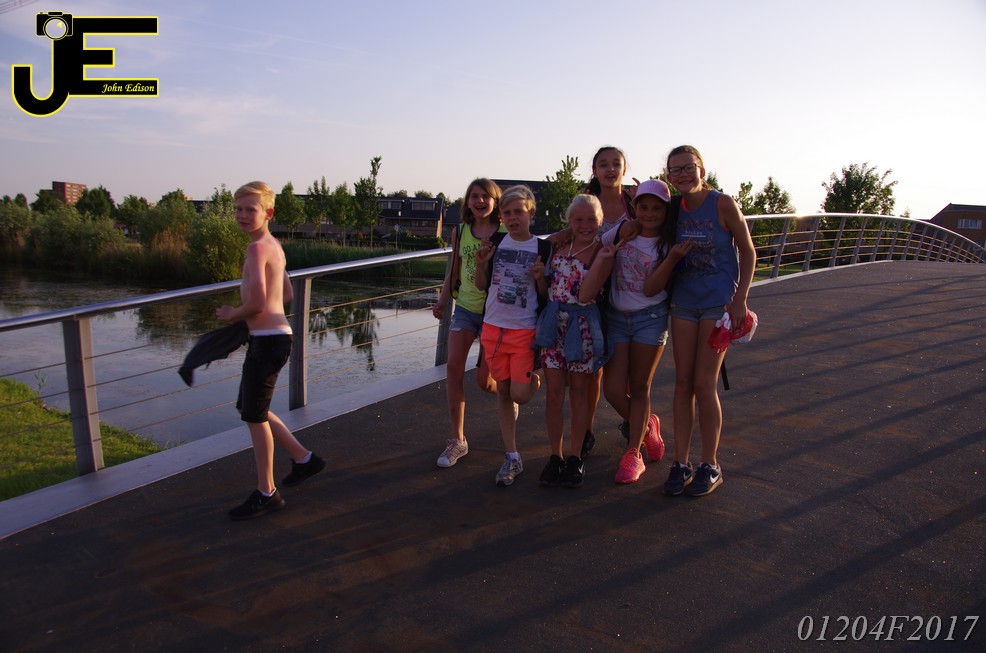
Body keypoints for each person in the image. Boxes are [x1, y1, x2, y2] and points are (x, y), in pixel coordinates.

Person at [217, 181, 324, 520]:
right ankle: (304, 459)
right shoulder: (274, 246)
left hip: (267, 342)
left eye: (251, 209)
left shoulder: (256, 249)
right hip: (273, 338)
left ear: (268, 213)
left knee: (254, 416)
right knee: (250, 408)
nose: (242, 215)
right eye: (238, 209)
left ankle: (267, 493)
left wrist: (232, 314)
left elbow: (258, 303)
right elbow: (286, 293)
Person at [580, 179, 689, 484]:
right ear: (634, 207)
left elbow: (651, 288)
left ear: (666, 212)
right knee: (613, 390)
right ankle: (647, 424)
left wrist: (672, 258)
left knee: (640, 387)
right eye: (644, 207)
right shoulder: (622, 231)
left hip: (649, 318)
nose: (650, 213)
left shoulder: (668, 244)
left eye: (656, 208)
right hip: (616, 317)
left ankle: (633, 454)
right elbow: (593, 250)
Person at [662, 145, 756, 497]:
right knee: (682, 382)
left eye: (688, 167)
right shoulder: (674, 209)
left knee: (704, 384)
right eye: (675, 170)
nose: (683, 175)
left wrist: (740, 299)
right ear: (669, 176)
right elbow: (640, 223)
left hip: (718, 304)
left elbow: (748, 251)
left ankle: (710, 464)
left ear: (702, 169)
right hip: (683, 303)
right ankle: (680, 462)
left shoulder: (722, 204)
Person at [475, 185, 550, 487]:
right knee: (503, 392)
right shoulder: (495, 242)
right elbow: (481, 285)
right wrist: (480, 264)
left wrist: (540, 278)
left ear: (531, 212)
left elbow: (545, 293)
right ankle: (512, 456)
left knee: (519, 394)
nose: (513, 217)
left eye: (519, 211)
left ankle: (533, 380)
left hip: (524, 330)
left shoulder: (542, 248)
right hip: (493, 328)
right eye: (507, 213)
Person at [431, 178, 504, 468]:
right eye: (474, 196)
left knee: (485, 382)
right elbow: (454, 269)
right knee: (453, 368)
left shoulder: (504, 233)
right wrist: (442, 300)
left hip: (494, 312)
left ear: (495, 201)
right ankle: (458, 439)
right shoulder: (459, 231)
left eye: (486, 196)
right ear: (467, 202)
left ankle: (508, 394)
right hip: (465, 308)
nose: (480, 201)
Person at [535, 195, 606, 488]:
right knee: (553, 393)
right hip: (554, 324)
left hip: (582, 327)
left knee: (579, 393)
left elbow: (588, 294)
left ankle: (575, 456)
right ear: (569, 221)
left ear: (600, 221)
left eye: (591, 219)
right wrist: (539, 278)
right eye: (578, 219)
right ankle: (556, 455)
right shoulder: (559, 246)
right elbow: (546, 291)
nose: (585, 225)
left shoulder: (602, 251)